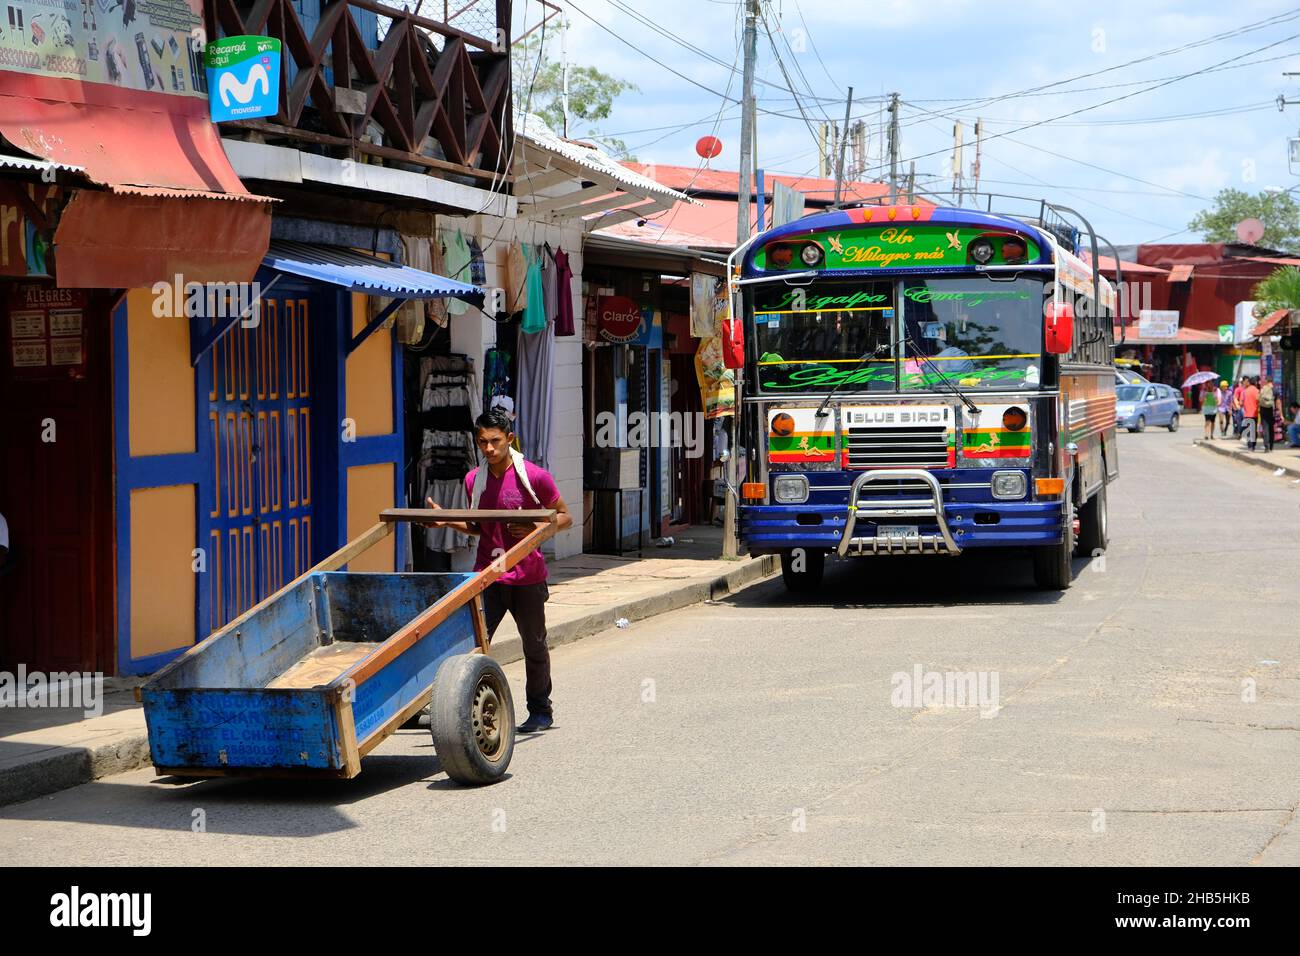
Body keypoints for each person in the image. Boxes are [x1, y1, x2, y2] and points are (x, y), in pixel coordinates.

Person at [423, 408, 573, 733]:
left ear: (510, 439)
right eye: (483, 442)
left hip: (528, 577)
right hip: (488, 575)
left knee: (534, 646)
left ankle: (540, 711)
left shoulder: (534, 477)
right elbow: (479, 527)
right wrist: (446, 519)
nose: (489, 449)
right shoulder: (473, 480)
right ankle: (460, 712)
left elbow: (564, 517)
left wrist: (535, 527)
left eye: (495, 441)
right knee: (472, 646)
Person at [1241, 376, 1261, 451]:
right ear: (1255, 382)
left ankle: (1249, 445)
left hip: (1247, 414)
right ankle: (1253, 445)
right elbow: (1259, 401)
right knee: (1254, 429)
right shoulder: (1257, 391)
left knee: (1249, 430)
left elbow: (1241, 402)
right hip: (1255, 413)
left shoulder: (1245, 391)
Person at [1258, 377, 1276, 452]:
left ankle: (1266, 447)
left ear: (1266, 381)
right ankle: (1271, 446)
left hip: (1263, 410)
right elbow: (1278, 401)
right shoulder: (1274, 390)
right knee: (1271, 428)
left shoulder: (1263, 389)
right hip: (1271, 410)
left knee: (1265, 428)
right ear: (1272, 381)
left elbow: (1258, 398)